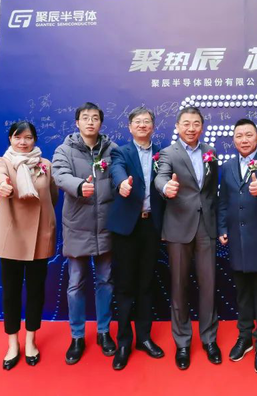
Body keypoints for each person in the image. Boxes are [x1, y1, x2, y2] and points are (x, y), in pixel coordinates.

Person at [154, 106, 221, 370]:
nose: (191, 128)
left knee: (209, 285)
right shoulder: (168, 153)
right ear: (178, 126)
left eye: (196, 124)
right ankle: (182, 342)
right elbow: (161, 177)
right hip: (178, 227)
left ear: (201, 127)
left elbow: (211, 192)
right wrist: (166, 187)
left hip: (206, 227)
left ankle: (209, 339)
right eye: (186, 123)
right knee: (179, 286)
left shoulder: (210, 152)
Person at [52, 102, 118, 365]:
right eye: (85, 118)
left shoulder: (111, 149)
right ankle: (77, 336)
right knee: (76, 283)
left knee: (106, 281)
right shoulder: (64, 150)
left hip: (106, 226)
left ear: (101, 123)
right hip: (77, 225)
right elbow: (59, 175)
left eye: (95, 118)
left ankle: (103, 332)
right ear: (77, 122)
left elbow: (119, 176)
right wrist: (79, 186)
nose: (90, 122)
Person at [0, 121, 58, 370]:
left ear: (34, 140)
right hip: (12, 235)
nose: (23, 142)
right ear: (10, 139)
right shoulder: (3, 162)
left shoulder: (45, 164)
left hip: (40, 234)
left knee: (36, 291)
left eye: (28, 137)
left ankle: (31, 340)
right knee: (11, 292)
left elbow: (53, 195)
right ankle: (12, 344)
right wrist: (2, 185)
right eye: (18, 137)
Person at [218, 118, 257, 373]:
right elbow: (224, 201)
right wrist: (222, 228)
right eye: (239, 136)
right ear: (233, 140)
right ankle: (244, 337)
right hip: (237, 241)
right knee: (242, 294)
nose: (244, 140)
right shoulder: (228, 166)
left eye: (248, 135)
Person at [106, 107, 166, 370]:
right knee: (125, 286)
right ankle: (123, 342)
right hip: (127, 228)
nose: (142, 125)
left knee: (146, 284)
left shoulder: (162, 154)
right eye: (137, 122)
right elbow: (117, 170)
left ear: (153, 126)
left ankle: (144, 338)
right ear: (130, 127)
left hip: (151, 226)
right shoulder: (120, 152)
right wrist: (122, 184)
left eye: (147, 121)